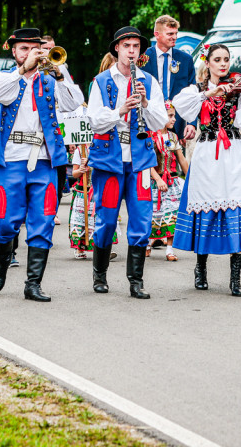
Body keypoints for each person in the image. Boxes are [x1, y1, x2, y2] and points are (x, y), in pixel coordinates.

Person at [0, 28, 83, 302]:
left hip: (44, 159)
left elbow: (74, 103)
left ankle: (33, 284)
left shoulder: (51, 79)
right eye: (24, 49)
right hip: (11, 159)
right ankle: (2, 262)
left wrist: (59, 72)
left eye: (35, 48)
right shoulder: (4, 77)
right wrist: (24, 70)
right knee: (4, 221)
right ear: (14, 51)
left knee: (43, 222)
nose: (30, 53)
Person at [172, 45, 241, 296]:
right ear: (207, 63)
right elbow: (181, 106)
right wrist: (211, 93)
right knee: (207, 205)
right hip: (207, 154)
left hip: (235, 153)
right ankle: (200, 269)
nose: (223, 64)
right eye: (217, 59)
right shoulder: (196, 90)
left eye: (226, 59)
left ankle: (235, 279)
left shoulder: (240, 91)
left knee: (235, 208)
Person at [87, 26, 169, 299]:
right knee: (107, 220)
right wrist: (119, 110)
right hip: (109, 158)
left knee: (141, 221)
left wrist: (144, 101)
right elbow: (94, 120)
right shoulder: (100, 81)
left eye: (136, 46)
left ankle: (136, 281)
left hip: (140, 160)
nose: (131, 51)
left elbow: (160, 122)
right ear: (117, 49)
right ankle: (99, 274)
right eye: (126, 46)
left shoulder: (149, 81)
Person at [144, 15, 197, 140]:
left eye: (175, 33)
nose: (174, 37)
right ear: (157, 34)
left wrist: (191, 123)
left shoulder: (185, 60)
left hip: (176, 122)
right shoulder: (143, 58)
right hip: (149, 119)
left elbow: (193, 93)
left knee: (175, 158)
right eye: (170, 34)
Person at [149, 103, 188, 261]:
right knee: (152, 215)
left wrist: (192, 178)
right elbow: (147, 163)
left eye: (174, 115)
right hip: (154, 181)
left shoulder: (173, 137)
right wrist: (157, 179)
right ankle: (147, 243)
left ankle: (170, 250)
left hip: (171, 182)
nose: (174, 119)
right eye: (170, 116)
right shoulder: (150, 136)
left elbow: (182, 160)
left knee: (173, 214)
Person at [67, 145, 121, 260]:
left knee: (102, 220)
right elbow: (74, 173)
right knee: (82, 220)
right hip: (84, 191)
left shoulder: (103, 147)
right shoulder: (80, 151)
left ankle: (104, 248)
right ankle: (79, 248)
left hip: (100, 190)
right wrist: (81, 170)